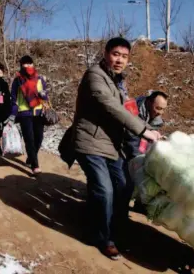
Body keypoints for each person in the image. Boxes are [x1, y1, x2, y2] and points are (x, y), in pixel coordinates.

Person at [69, 37, 161, 260]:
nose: (120, 60)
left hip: (110, 143)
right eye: (116, 54)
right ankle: (103, 238)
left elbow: (127, 111)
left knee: (124, 185)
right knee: (105, 189)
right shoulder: (95, 76)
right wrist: (143, 131)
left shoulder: (118, 81)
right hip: (89, 141)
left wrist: (152, 129)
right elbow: (111, 107)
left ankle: (114, 227)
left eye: (125, 56)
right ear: (106, 53)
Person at [8, 55, 48, 174]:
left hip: (38, 111)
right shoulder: (18, 80)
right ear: (21, 65)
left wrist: (42, 94)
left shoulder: (40, 78)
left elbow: (45, 96)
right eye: (25, 64)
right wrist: (12, 114)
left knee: (39, 138)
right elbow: (14, 98)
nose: (28, 66)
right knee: (29, 139)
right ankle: (35, 165)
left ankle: (31, 157)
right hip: (24, 112)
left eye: (30, 63)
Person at [124, 90, 168, 161]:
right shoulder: (131, 108)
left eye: (163, 109)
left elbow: (146, 142)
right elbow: (131, 137)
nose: (161, 112)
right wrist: (139, 159)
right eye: (158, 108)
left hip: (135, 154)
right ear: (149, 103)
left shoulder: (155, 120)